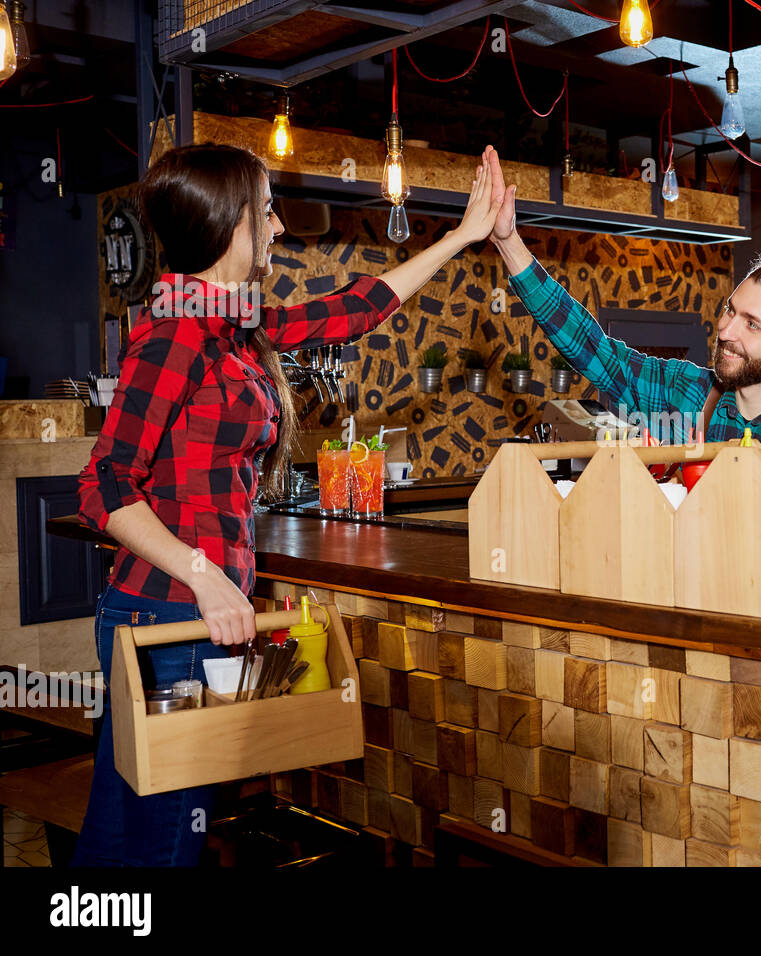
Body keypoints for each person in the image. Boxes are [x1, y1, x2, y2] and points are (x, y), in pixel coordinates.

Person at [72, 142, 505, 866]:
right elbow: (105, 486)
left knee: (130, 835)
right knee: (166, 841)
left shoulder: (234, 323)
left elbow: (353, 311)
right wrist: (206, 575)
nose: (277, 229)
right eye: (267, 212)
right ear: (228, 223)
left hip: (185, 614)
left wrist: (462, 238)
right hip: (169, 615)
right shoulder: (177, 336)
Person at [481, 151, 761, 471]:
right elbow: (594, 349)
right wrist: (508, 241)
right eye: (731, 311)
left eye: (752, 325)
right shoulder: (687, 393)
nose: (728, 331)